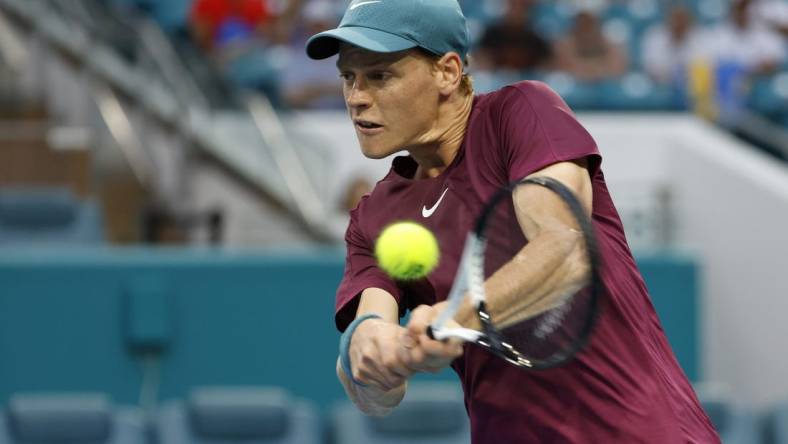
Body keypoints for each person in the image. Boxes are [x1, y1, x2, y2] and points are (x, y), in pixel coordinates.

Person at [306, 0, 719, 442]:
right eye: (348, 77)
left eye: (379, 75)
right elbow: (372, 385)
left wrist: (458, 317)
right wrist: (373, 353)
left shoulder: (521, 112)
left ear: (447, 72)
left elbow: (564, 251)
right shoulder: (373, 217)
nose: (356, 97)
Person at [552, 9, 629, 81]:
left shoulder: (610, 41)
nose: (586, 27)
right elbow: (568, 68)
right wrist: (597, 69)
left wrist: (590, 70)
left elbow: (617, 68)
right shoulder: (564, 44)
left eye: (590, 22)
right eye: (582, 22)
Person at [642, 4, 705, 85]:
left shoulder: (699, 38)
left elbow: (701, 68)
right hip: (661, 86)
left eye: (682, 20)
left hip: (690, 86)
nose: (679, 24)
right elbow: (651, 70)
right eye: (676, 20)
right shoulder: (655, 37)